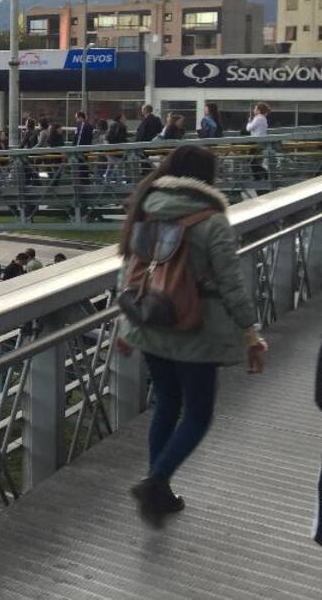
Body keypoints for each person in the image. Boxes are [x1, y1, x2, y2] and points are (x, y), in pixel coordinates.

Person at [116, 144, 267, 527]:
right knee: (198, 414)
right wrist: (251, 333)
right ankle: (155, 483)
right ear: (207, 179)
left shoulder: (147, 207)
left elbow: (131, 274)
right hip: (196, 331)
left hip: (152, 325)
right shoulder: (212, 220)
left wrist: (128, 327)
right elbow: (232, 283)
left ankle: (160, 490)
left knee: (167, 404)